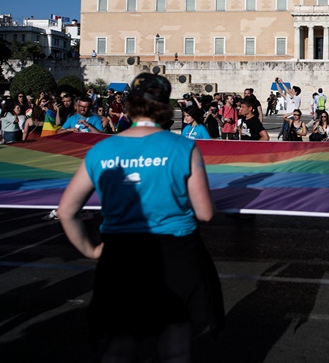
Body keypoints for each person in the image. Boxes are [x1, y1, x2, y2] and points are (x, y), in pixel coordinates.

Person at [58, 73, 224, 360]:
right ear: (165, 106)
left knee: (120, 344)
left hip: (121, 252)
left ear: (129, 106)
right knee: (174, 347)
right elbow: (205, 213)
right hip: (177, 252)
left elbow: (67, 211)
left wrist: (92, 250)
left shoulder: (103, 149)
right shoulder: (182, 147)